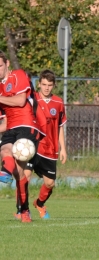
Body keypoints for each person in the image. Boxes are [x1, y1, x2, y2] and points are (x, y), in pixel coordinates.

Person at [14, 69, 67, 220]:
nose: (46, 87)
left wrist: (63, 148)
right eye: (44, 84)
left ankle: (39, 203)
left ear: (54, 85)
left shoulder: (58, 103)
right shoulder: (32, 99)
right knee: (26, 176)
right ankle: (22, 210)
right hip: (33, 145)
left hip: (50, 149)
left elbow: (60, 126)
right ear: (39, 84)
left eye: (49, 85)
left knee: (50, 183)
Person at [0, 50, 44, 222]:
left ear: (7, 64)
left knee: (19, 168)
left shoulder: (18, 75)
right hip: (10, 128)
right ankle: (24, 209)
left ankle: (4, 172)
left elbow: (20, 101)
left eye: (0, 66)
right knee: (6, 153)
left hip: (27, 125)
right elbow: (3, 122)